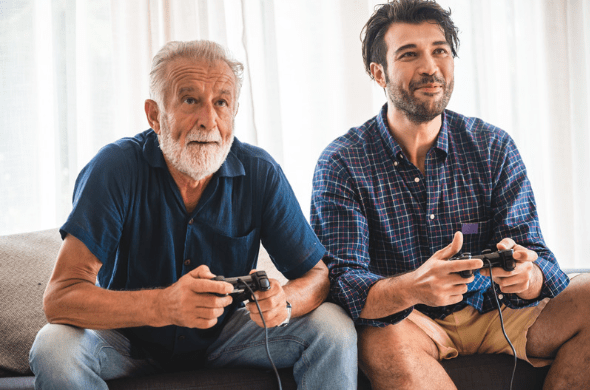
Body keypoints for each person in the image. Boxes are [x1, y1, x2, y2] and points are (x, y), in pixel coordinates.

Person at [29, 40, 357, 390]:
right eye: (190, 101)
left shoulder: (260, 171)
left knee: (332, 326)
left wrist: (286, 302)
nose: (209, 121)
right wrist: (163, 305)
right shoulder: (114, 169)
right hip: (124, 343)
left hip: (226, 339)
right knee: (54, 347)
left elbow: (317, 275)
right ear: (155, 115)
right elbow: (61, 298)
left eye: (221, 103)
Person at [310, 1, 590, 389]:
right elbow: (342, 282)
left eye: (440, 51)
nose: (430, 67)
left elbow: (538, 255)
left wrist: (530, 277)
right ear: (379, 73)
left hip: (500, 312)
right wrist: (412, 286)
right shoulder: (342, 162)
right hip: (410, 321)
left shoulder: (493, 146)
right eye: (409, 54)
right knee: (378, 339)